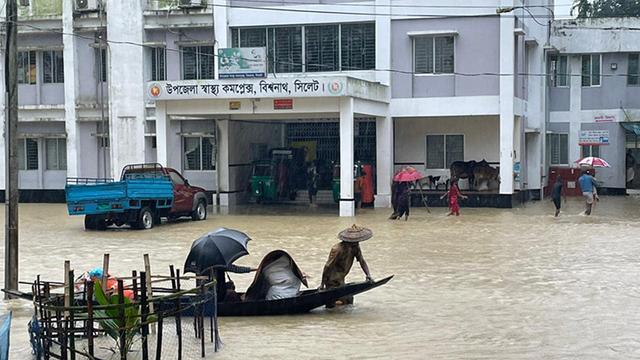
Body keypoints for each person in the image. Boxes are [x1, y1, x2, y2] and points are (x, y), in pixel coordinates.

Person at [321, 225, 373, 306]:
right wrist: (322, 284)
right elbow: (328, 266)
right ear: (349, 241)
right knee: (333, 302)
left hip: (341, 279)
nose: (357, 243)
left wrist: (368, 275)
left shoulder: (355, 247)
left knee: (349, 299)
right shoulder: (337, 249)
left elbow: (362, 261)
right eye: (355, 242)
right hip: (331, 280)